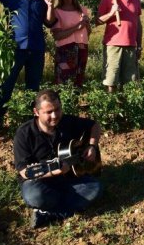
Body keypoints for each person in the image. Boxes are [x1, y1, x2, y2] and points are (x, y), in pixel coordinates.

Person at [14, 89, 102, 228]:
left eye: (57, 109)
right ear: (36, 112)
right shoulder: (24, 133)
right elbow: (25, 171)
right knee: (34, 195)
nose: (55, 115)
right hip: (41, 183)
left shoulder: (67, 121)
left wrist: (92, 146)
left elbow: (94, 126)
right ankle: (66, 206)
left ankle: (49, 214)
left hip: (70, 180)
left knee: (95, 188)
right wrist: (54, 172)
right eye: (48, 112)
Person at [0, 0, 56, 124]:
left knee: (33, 87)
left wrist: (50, 6)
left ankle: (29, 122)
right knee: (6, 85)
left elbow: (49, 23)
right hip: (15, 47)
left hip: (36, 49)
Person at [97, 0, 143, 93]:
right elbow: (98, 21)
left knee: (131, 81)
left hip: (131, 45)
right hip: (113, 45)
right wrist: (112, 12)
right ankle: (111, 109)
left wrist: (139, 45)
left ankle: (126, 109)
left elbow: (138, 24)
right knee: (111, 80)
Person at [49, 0, 91, 87]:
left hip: (82, 48)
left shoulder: (82, 9)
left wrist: (86, 23)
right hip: (65, 50)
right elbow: (57, 36)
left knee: (78, 81)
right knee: (63, 82)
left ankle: (75, 103)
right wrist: (77, 27)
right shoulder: (56, 11)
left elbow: (88, 33)